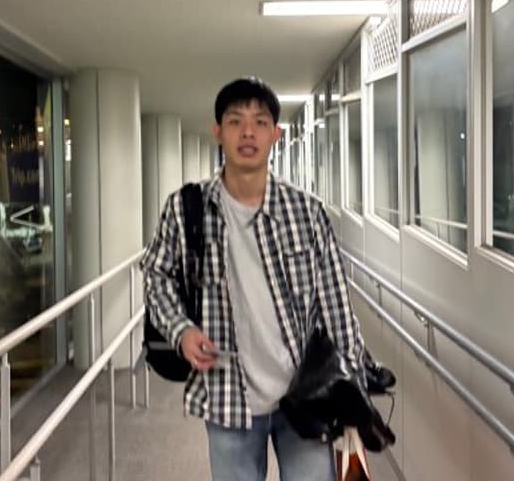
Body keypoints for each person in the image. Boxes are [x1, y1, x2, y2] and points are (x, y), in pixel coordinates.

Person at [141, 77, 366, 481]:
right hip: (227, 395)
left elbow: (336, 308)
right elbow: (156, 276)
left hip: (305, 394)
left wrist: (353, 390)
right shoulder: (185, 207)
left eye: (260, 122)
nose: (248, 132)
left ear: (275, 135)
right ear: (218, 132)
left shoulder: (307, 212)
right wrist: (181, 330)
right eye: (235, 121)